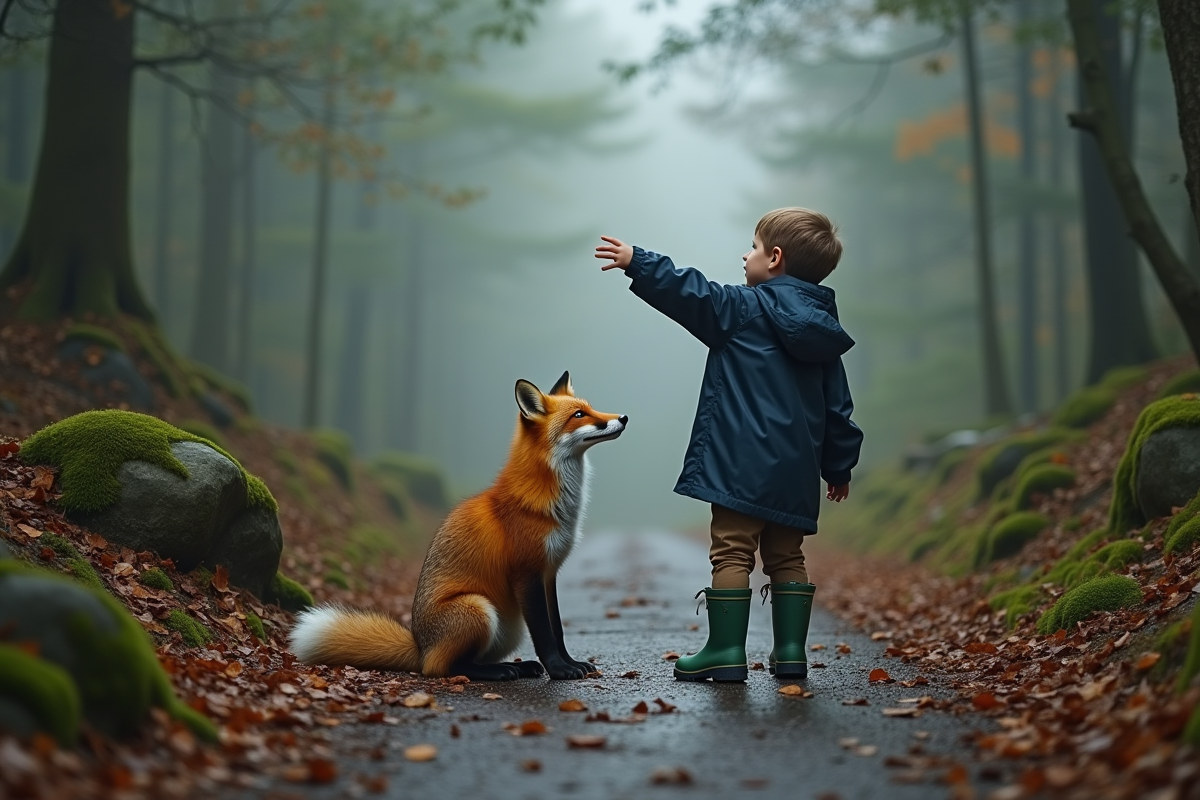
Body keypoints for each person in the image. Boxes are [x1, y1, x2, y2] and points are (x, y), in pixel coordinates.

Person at [594, 207, 863, 682]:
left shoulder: (742, 308)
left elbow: (688, 290)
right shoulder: (823, 335)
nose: (747, 254)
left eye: (754, 247)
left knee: (733, 552)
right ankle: (790, 654)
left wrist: (638, 260)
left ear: (774, 258)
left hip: (739, 464)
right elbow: (838, 409)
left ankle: (725, 651)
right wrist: (838, 469)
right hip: (795, 471)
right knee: (787, 556)